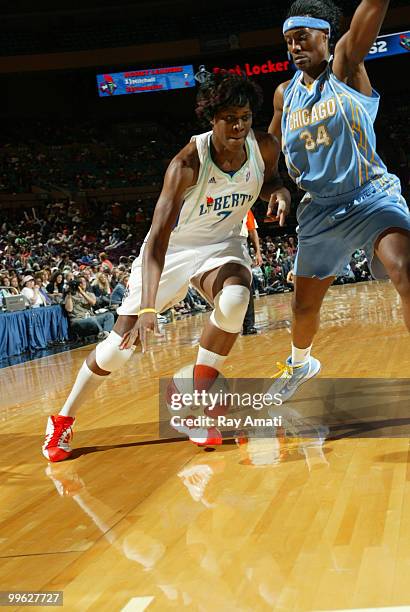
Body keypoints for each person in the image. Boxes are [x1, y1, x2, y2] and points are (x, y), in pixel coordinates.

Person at [42, 71, 290, 462]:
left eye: (244, 116)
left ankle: (197, 400)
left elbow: (272, 180)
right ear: (212, 118)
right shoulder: (187, 163)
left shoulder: (265, 146)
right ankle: (62, 419)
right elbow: (158, 238)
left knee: (237, 298)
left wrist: (279, 194)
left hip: (223, 245)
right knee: (118, 349)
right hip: (174, 249)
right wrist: (147, 308)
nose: (239, 125)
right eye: (229, 118)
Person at [268, 0, 410, 399]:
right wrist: (274, 185)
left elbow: (372, 9)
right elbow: (269, 147)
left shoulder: (346, 67)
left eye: (302, 37)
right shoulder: (285, 95)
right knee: (302, 309)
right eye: (288, 41)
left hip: (371, 196)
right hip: (319, 210)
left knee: (405, 268)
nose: (294, 47)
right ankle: (301, 363)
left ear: (325, 37)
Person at [241, 210, 263, 335]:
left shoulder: (245, 207)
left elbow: (252, 230)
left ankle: (248, 325)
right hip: (220, 244)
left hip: (241, 244)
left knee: (246, 285)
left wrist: (258, 253)